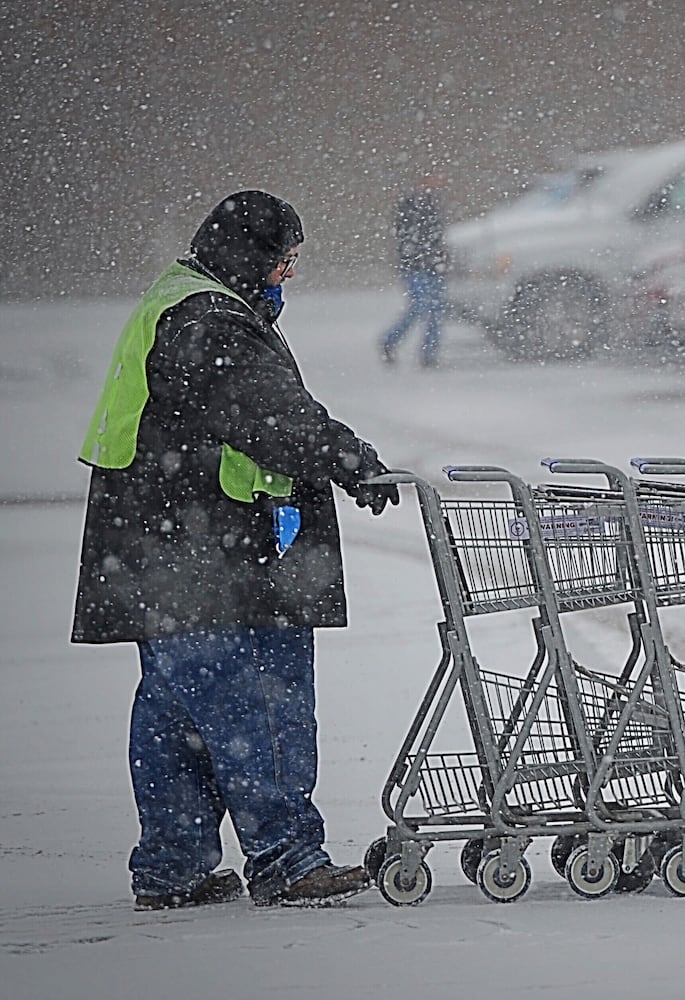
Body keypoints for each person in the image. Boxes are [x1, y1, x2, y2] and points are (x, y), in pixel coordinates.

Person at [72, 190, 401, 911]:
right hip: (214, 550)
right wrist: (347, 458)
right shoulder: (211, 320)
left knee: (178, 714)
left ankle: (173, 867)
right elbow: (271, 416)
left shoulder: (182, 297)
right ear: (249, 256)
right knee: (260, 701)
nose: (287, 275)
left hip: (160, 548)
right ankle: (286, 861)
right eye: (283, 259)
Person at [379, 174, 449, 367]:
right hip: (416, 265)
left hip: (432, 265)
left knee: (435, 309)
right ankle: (390, 341)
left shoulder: (432, 204)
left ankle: (429, 354)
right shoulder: (410, 205)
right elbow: (406, 236)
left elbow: (436, 236)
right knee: (420, 307)